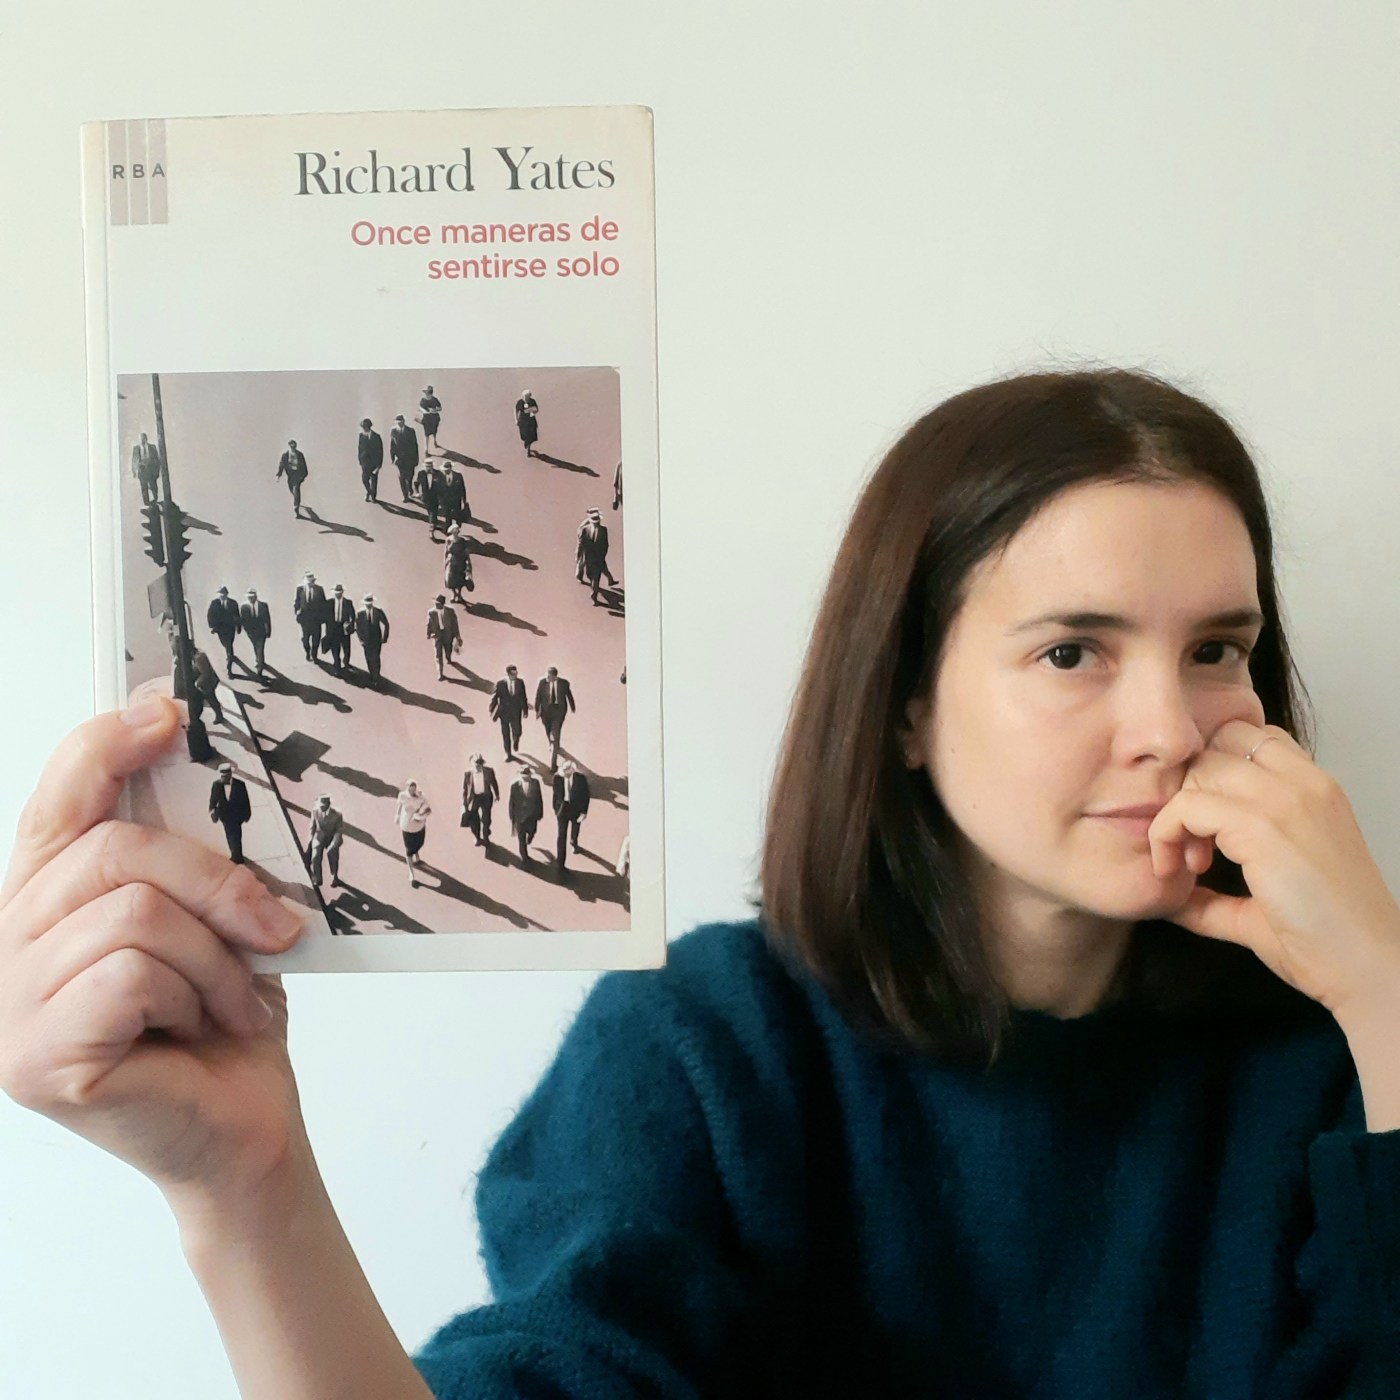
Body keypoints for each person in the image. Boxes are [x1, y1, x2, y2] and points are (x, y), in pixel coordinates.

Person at [10, 370, 1400, 1398]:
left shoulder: (1332, 1056)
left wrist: (1388, 997)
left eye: (1216, 649)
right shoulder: (709, 1052)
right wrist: (245, 1190)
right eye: (1071, 652)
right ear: (905, 704)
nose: (1170, 726)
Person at [551, 759, 591, 873]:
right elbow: (555, 795)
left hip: (576, 809)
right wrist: (556, 809)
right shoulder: (557, 778)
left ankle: (574, 841)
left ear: (572, 771)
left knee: (575, 827)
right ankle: (560, 861)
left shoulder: (581, 779)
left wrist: (584, 812)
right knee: (561, 835)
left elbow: (586, 796)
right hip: (563, 809)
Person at [533, 666, 576, 773]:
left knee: (555, 735)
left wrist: (572, 706)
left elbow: (569, 695)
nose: (547, 678)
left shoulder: (564, 683)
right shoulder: (542, 682)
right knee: (549, 731)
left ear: (555, 676)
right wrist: (537, 710)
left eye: (550, 676)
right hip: (545, 713)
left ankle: (553, 765)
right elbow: (538, 696)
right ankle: (554, 743)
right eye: (547, 676)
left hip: (558, 712)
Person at [208, 760, 251, 863]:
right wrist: (211, 811)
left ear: (230, 775)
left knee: (236, 836)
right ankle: (234, 853)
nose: (222, 779)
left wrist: (247, 814)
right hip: (225, 816)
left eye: (224, 776)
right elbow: (213, 799)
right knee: (229, 835)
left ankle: (237, 857)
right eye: (221, 776)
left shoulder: (240, 785)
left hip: (237, 816)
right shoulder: (216, 785)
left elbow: (245, 800)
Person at [488, 664, 529, 762]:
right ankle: (508, 753)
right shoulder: (500, 683)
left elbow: (523, 697)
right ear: (508, 674)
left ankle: (516, 740)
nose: (515, 675)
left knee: (517, 730)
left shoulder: (520, 682)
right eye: (513, 674)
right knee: (505, 733)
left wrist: (525, 710)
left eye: (516, 673)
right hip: (504, 712)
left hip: (516, 711)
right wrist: (491, 709)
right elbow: (495, 697)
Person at [394, 781, 431, 887]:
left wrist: (423, 814)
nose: (412, 791)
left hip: (419, 825)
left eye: (413, 789)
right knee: (409, 849)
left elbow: (426, 807)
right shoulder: (403, 796)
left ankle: (416, 854)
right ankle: (411, 873)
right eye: (410, 789)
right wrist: (397, 815)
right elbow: (400, 805)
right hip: (407, 826)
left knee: (419, 843)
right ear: (407, 788)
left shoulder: (420, 796)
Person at [575, 507, 616, 603]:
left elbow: (605, 544)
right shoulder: (584, 529)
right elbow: (581, 543)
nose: (597, 524)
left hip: (598, 558)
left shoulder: (604, 530)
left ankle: (594, 594)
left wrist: (603, 555)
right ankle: (582, 578)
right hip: (588, 556)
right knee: (590, 575)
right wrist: (578, 554)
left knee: (596, 577)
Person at [507, 763, 544, 865]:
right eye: (523, 776)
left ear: (530, 775)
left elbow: (539, 799)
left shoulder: (536, 783)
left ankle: (530, 837)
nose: (525, 777)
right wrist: (512, 816)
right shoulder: (514, 786)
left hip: (532, 815)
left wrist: (540, 813)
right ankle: (524, 856)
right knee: (521, 837)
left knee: (533, 831)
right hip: (519, 817)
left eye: (527, 776)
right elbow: (512, 802)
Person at [461, 753, 499, 848]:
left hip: (486, 797)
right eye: (476, 765)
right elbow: (465, 789)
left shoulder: (489, 771)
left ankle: (486, 837)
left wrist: (497, 794)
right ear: (472, 764)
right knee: (474, 820)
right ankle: (477, 837)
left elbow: (494, 783)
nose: (478, 767)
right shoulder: (467, 774)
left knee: (486, 819)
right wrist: (465, 802)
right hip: (474, 798)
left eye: (480, 765)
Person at [307, 793, 344, 888]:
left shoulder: (337, 815)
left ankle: (335, 877)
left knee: (333, 857)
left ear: (328, 805)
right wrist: (310, 841)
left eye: (323, 806)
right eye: (320, 806)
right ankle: (318, 879)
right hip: (319, 837)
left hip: (332, 838)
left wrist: (333, 844)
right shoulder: (315, 811)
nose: (321, 808)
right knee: (315, 856)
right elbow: (312, 827)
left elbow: (339, 831)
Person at [355, 593, 390, 687]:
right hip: (366, 640)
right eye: (367, 603)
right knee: (368, 657)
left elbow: (386, 624)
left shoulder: (378, 611)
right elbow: (357, 628)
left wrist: (385, 637)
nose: (368, 605)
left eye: (370, 603)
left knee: (376, 657)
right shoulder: (360, 613)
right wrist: (360, 639)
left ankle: (376, 676)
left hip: (376, 639)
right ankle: (371, 673)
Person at [205, 586, 241, 675]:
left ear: (227, 594)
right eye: (220, 594)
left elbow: (237, 616)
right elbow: (210, 615)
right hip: (220, 630)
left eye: (223, 594)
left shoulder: (233, 603)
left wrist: (238, 627)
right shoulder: (214, 603)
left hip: (230, 628)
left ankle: (229, 666)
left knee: (229, 645)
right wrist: (212, 627)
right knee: (225, 644)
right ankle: (229, 655)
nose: (221, 596)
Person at [425, 594, 461, 682]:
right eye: (435, 603)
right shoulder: (431, 612)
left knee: (448, 649)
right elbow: (429, 623)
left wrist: (458, 636)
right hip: (437, 636)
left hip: (448, 635)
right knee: (438, 655)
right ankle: (440, 674)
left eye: (438, 603)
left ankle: (448, 658)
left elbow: (455, 624)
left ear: (442, 604)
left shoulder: (450, 611)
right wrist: (428, 633)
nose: (436, 605)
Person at [294, 571, 327, 662]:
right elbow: (297, 602)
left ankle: (314, 654)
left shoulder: (319, 589)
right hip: (305, 620)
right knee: (305, 639)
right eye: (308, 582)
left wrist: (323, 618)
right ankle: (307, 651)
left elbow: (324, 604)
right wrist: (297, 612)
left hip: (316, 619)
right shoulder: (300, 589)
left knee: (316, 639)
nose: (310, 584)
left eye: (311, 582)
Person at [238, 586, 271, 676]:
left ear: (256, 597)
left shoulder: (263, 606)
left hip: (261, 632)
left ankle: (259, 668)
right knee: (256, 647)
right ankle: (260, 660)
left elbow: (267, 619)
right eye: (249, 597)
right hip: (251, 633)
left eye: (252, 597)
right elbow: (243, 621)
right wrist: (247, 631)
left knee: (260, 649)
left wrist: (268, 631)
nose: (250, 599)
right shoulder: (244, 607)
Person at [325, 583, 355, 676]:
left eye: (339, 593)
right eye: (336, 593)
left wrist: (350, 624)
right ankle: (337, 666)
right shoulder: (329, 603)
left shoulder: (348, 602)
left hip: (344, 628)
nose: (337, 594)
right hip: (333, 628)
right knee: (335, 648)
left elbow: (353, 615)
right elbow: (325, 616)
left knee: (346, 648)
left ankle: (346, 662)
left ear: (342, 593)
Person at [390, 414, 419, 502]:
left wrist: (416, 459)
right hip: (400, 459)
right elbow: (392, 445)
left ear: (404, 421)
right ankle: (405, 496)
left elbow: (415, 445)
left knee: (410, 476)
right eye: (397, 422)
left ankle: (409, 487)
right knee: (402, 477)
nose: (399, 423)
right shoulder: (393, 431)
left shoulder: (411, 431)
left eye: (400, 422)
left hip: (410, 458)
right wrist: (392, 457)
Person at [276, 439, 309, 518]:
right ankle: (298, 502)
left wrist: (303, 475)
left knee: (296, 490)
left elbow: (304, 465)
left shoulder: (300, 455)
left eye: (294, 446)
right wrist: (279, 475)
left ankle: (296, 508)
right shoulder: (285, 455)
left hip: (298, 475)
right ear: (289, 446)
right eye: (291, 447)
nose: (293, 448)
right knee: (292, 490)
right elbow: (282, 465)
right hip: (290, 475)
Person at [442, 526, 473, 605]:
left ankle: (459, 594)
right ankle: (454, 594)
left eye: (457, 531)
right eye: (455, 531)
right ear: (452, 532)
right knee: (450, 579)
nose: (456, 533)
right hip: (452, 561)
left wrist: (468, 561)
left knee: (460, 579)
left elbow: (466, 552)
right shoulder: (448, 540)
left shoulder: (462, 540)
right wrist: (445, 561)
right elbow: (446, 551)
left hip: (460, 561)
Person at [131, 431, 160, 505]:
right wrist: (134, 471)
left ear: (146, 439)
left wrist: (157, 470)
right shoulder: (136, 448)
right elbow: (134, 460)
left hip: (151, 469)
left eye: (143, 438)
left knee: (153, 485)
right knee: (144, 486)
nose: (142, 440)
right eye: (140, 439)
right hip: (142, 470)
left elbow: (157, 459)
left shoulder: (152, 447)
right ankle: (146, 502)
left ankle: (155, 499)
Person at [357, 418, 383, 502]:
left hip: (374, 462)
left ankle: (373, 496)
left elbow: (380, 451)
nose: (363, 429)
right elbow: (360, 449)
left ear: (368, 427)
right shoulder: (361, 436)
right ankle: (369, 492)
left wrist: (379, 465)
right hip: (365, 462)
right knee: (365, 479)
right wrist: (360, 460)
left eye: (364, 427)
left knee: (374, 480)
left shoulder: (376, 436)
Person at [440, 461, 469, 530]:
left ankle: (457, 528)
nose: (445, 471)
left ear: (450, 468)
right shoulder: (440, 477)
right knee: (447, 516)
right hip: (445, 501)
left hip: (456, 500)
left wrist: (464, 500)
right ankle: (448, 528)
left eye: (447, 470)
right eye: (444, 470)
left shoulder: (458, 476)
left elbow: (462, 488)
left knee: (457, 516)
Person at [514, 388, 539, 457]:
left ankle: (528, 450)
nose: (526, 398)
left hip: (531, 420)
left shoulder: (532, 401)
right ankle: (527, 444)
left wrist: (529, 411)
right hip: (523, 421)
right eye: (525, 396)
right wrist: (516, 419)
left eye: (527, 396)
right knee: (524, 435)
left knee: (531, 435)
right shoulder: (520, 402)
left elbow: (536, 409)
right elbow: (516, 410)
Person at [419, 384, 442, 451]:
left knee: (434, 431)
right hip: (427, 419)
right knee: (427, 433)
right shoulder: (423, 400)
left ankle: (434, 441)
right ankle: (426, 448)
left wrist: (434, 410)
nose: (427, 395)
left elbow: (440, 408)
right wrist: (425, 411)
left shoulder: (434, 400)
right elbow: (420, 408)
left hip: (434, 418)